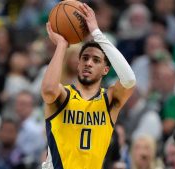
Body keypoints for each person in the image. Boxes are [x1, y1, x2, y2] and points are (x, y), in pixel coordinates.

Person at [41, 3, 136, 169]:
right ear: (78, 65)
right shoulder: (64, 96)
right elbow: (48, 90)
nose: (88, 63)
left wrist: (96, 33)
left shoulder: (109, 100)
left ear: (106, 70)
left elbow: (129, 80)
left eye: (96, 60)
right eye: (84, 58)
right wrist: (62, 45)